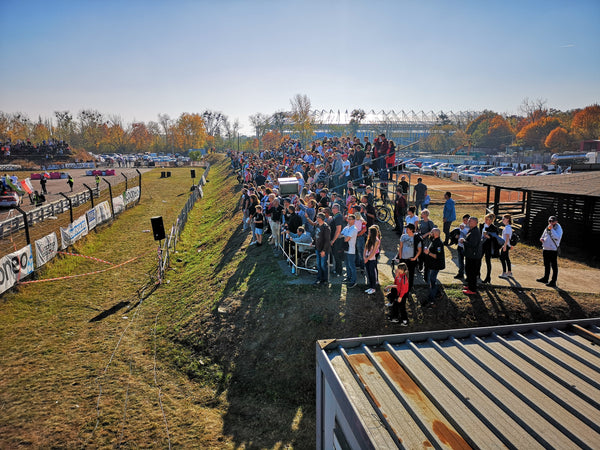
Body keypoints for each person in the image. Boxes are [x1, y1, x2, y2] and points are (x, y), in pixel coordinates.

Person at [537, 216, 563, 287]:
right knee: (546, 264)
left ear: (556, 221)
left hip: (553, 249)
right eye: (549, 221)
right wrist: (541, 239)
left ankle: (553, 281)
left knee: (554, 266)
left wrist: (552, 230)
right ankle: (545, 278)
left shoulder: (558, 228)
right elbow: (544, 234)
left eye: (552, 221)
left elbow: (557, 237)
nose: (551, 223)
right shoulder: (548, 227)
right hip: (545, 248)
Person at [423, 228, 445, 307]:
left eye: (431, 232)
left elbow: (438, 256)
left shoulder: (438, 243)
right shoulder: (433, 240)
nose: (430, 233)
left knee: (432, 281)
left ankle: (431, 299)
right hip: (432, 265)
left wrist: (428, 252)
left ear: (435, 234)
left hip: (436, 265)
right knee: (432, 281)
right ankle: (438, 293)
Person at [397, 223, 422, 292]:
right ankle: (401, 287)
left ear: (411, 230)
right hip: (403, 259)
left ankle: (409, 288)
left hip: (411, 260)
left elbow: (419, 250)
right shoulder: (403, 236)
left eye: (407, 229)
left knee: (410, 275)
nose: (406, 230)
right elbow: (401, 247)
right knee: (402, 274)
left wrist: (415, 258)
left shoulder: (416, 238)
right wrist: (400, 257)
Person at [462, 217, 482, 295]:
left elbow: (473, 244)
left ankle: (472, 289)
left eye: (471, 221)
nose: (469, 222)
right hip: (471, 255)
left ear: (476, 223)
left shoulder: (475, 232)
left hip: (473, 256)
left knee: (472, 273)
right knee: (469, 271)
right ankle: (470, 286)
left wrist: (464, 241)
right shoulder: (472, 230)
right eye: (469, 221)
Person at [480, 213, 499, 284]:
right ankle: (477, 274)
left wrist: (489, 237)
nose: (485, 220)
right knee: (478, 259)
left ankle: (488, 277)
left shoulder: (494, 228)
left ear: (491, 220)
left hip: (488, 246)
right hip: (481, 245)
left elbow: (495, 238)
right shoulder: (482, 225)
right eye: (485, 219)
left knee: (488, 261)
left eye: (487, 219)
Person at [314, 212, 331, 285]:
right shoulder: (317, 226)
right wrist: (313, 242)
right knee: (318, 265)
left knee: (323, 265)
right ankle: (319, 278)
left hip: (323, 249)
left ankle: (325, 279)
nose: (316, 218)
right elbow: (316, 235)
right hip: (317, 248)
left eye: (317, 217)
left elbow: (327, 240)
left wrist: (324, 250)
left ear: (320, 218)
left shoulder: (326, 227)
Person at [341, 214, 358, 287]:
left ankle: (353, 281)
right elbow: (340, 235)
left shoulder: (354, 229)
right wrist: (344, 237)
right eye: (348, 219)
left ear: (354, 220)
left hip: (351, 250)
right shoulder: (346, 227)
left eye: (350, 219)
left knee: (352, 266)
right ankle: (348, 277)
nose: (349, 220)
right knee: (347, 265)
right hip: (345, 249)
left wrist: (343, 237)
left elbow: (346, 239)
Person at [363, 225, 380, 294]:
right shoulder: (369, 238)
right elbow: (365, 248)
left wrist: (367, 258)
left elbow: (373, 252)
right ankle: (370, 287)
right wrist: (364, 256)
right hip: (367, 258)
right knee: (368, 273)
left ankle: (373, 288)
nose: (368, 232)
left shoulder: (376, 240)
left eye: (369, 231)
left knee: (372, 273)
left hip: (371, 259)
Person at [329, 203, 345, 276]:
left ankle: (339, 272)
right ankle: (336, 270)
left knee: (337, 256)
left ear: (336, 209)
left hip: (337, 240)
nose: (332, 210)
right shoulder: (335, 216)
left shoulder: (338, 217)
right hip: (334, 239)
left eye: (333, 208)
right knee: (335, 256)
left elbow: (338, 230)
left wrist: (333, 240)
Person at [454, 214, 470, 280]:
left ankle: (468, 274)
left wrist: (463, 230)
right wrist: (456, 236)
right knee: (460, 261)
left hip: (466, 247)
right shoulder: (461, 225)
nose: (465, 222)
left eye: (466, 220)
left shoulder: (470, 227)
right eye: (463, 220)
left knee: (467, 261)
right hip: (460, 246)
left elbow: (467, 235)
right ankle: (460, 273)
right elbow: (459, 234)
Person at [499, 214, 513, 279]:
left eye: (504, 219)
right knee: (507, 258)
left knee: (502, 258)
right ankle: (509, 272)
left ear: (507, 219)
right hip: (507, 245)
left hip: (505, 245)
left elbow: (507, 237)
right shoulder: (508, 227)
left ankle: (504, 272)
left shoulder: (507, 228)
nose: (502, 220)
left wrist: (504, 246)